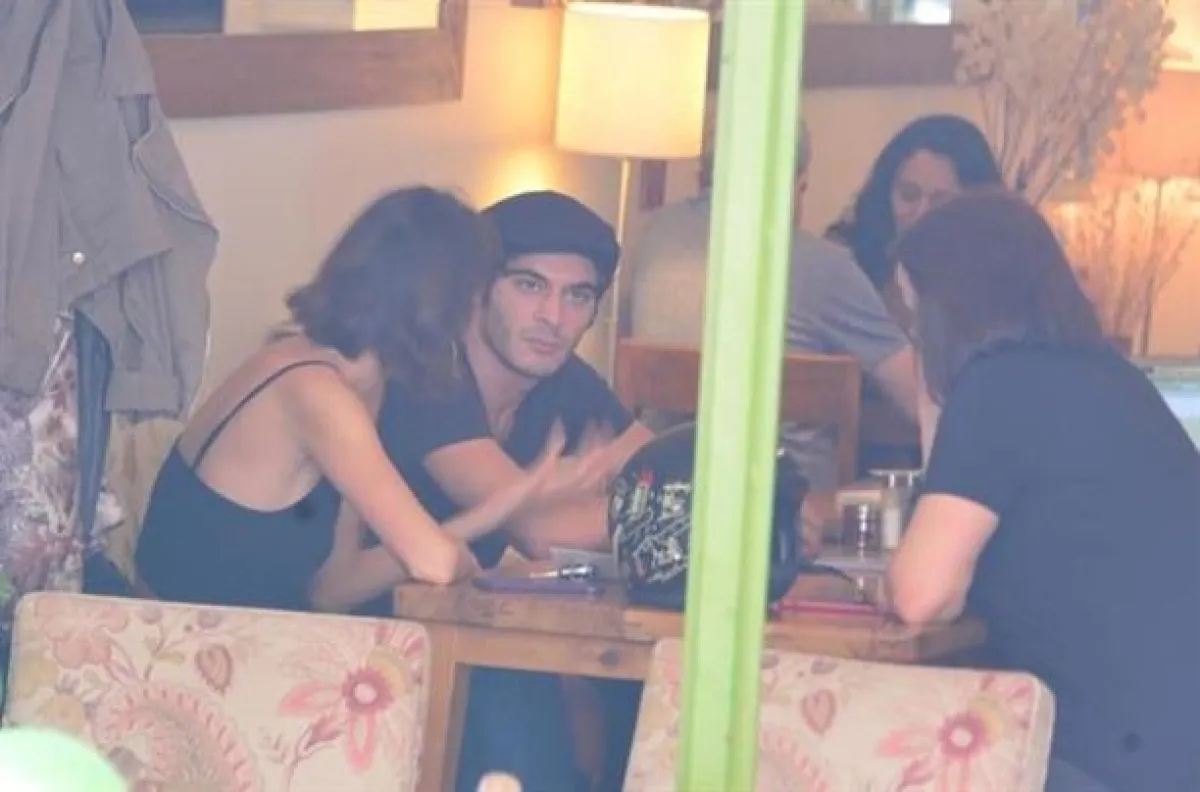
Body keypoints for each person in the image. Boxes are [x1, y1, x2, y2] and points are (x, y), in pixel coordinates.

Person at [886, 190, 1200, 792]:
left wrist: (937, 395)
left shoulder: (999, 387)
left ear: (946, 310)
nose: (914, 336)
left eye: (914, 313)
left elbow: (921, 596)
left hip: (1114, 757)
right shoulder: (1114, 379)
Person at [135, 186, 569, 614]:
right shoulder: (314, 392)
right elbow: (433, 562)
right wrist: (454, 549)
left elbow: (333, 586)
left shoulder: (350, 379)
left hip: (251, 638)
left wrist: (499, 507)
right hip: (182, 647)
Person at [372, 190, 653, 792]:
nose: (554, 316)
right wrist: (691, 516)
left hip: (469, 624)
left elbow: (663, 465)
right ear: (476, 288)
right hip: (358, 629)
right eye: (529, 285)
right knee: (519, 697)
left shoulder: (562, 378)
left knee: (656, 690)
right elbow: (536, 528)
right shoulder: (429, 371)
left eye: (578, 296)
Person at [621, 120, 919, 515]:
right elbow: (918, 399)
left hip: (663, 504)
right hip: (788, 510)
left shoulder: (650, 236)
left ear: (705, 173)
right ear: (797, 184)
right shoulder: (823, 267)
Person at [826, 113, 1003, 321]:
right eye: (909, 195)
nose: (922, 213)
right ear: (885, 195)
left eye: (941, 201)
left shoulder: (998, 285)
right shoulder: (849, 273)